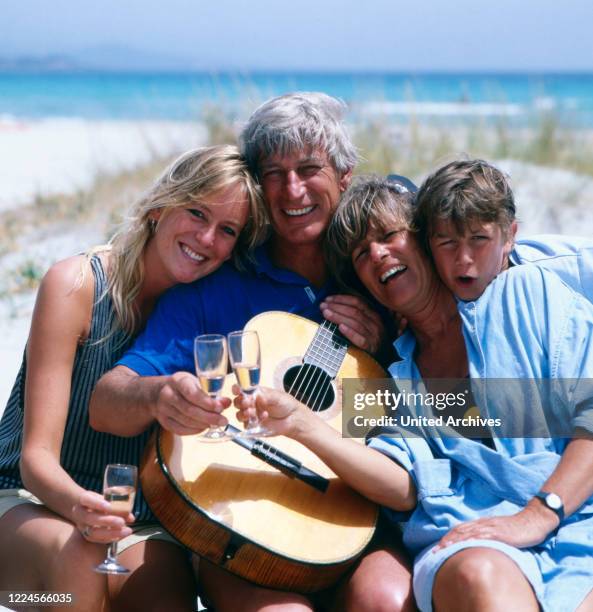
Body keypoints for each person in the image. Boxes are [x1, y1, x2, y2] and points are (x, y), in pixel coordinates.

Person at [90, 93, 415, 611]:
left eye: (310, 169)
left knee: (386, 600)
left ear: (345, 175)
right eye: (273, 173)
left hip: (353, 514)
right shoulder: (217, 285)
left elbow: (461, 402)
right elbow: (107, 401)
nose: (292, 190)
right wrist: (159, 395)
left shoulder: (377, 269)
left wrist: (381, 351)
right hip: (244, 525)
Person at [236, 177, 593, 611]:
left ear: (426, 241)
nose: (377, 255)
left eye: (388, 237)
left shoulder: (522, 293)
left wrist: (537, 515)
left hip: (574, 515)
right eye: (360, 255)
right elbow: (405, 485)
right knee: (477, 573)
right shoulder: (391, 375)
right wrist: (301, 425)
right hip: (472, 537)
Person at [0, 144, 266, 611]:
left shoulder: (207, 311)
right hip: (27, 502)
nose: (206, 238)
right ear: (161, 206)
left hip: (137, 521)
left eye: (227, 231)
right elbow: (35, 458)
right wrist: (82, 508)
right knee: (79, 564)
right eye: (197, 212)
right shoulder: (77, 285)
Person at [413, 158, 593, 302]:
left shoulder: (573, 268)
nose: (464, 258)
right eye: (448, 242)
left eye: (478, 239)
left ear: (509, 236)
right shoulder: (423, 293)